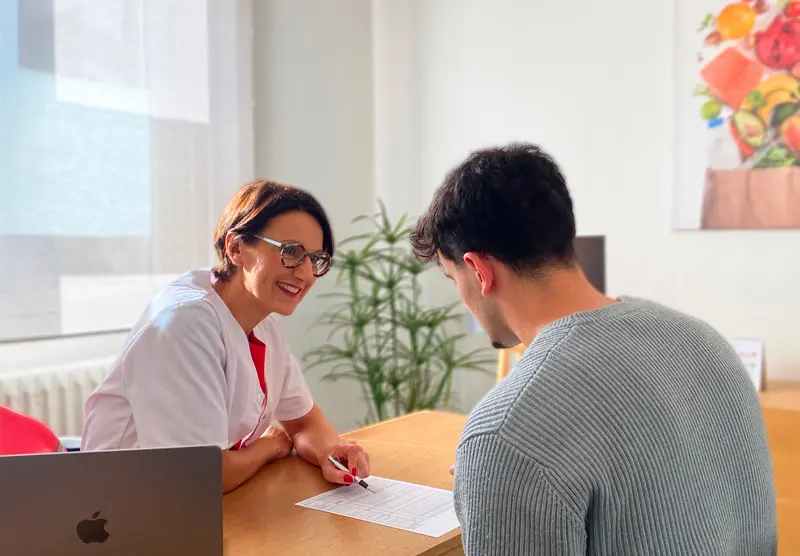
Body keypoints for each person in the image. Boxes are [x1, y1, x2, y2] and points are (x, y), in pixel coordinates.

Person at [411, 143, 777, 555]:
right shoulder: (704, 341)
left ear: (479, 270)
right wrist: (501, 481)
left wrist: (499, 470)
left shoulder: (506, 431)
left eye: (453, 278)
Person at [82, 180, 370, 493]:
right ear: (236, 248)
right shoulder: (185, 323)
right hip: (119, 503)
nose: (305, 273)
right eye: (291, 252)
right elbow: (203, 474)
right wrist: (269, 447)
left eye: (315, 259)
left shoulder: (266, 322)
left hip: (192, 501)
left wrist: (330, 452)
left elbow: (303, 421)